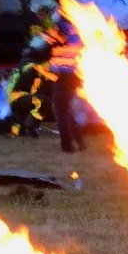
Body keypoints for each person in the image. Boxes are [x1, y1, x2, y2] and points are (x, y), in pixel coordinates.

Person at [48, 14, 86, 152]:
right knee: (66, 110)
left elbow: (55, 54)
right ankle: (79, 141)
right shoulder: (77, 34)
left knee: (61, 111)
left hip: (63, 75)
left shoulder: (61, 34)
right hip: (75, 75)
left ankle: (67, 145)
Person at [6, 38, 56, 137]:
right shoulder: (28, 62)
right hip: (18, 97)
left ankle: (20, 126)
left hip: (20, 98)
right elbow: (29, 70)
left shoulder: (31, 61)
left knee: (19, 130)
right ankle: (31, 126)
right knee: (44, 102)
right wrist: (48, 68)